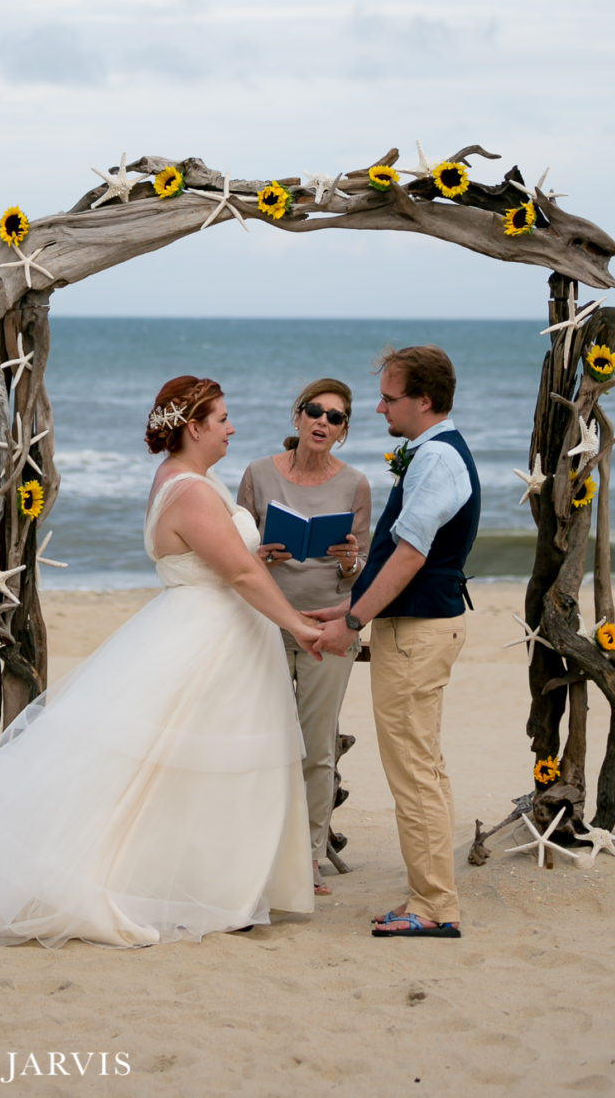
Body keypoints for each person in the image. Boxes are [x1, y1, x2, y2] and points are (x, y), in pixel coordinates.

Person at [0, 376, 321, 949]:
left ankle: (227, 887)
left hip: (220, 636)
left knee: (198, 767)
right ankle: (203, 890)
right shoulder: (192, 491)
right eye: (222, 418)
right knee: (190, 765)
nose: (232, 427)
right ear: (194, 428)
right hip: (207, 639)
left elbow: (232, 559)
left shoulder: (191, 479)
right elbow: (241, 574)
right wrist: (299, 624)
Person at [310, 346, 480, 939]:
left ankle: (433, 907)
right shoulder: (435, 454)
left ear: (424, 401)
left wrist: (353, 625)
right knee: (422, 767)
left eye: (389, 397)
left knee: (413, 771)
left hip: (418, 633)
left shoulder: (436, 459)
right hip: (415, 627)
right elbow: (402, 553)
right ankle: (429, 896)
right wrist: (352, 608)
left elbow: (410, 554)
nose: (379, 407)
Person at [237, 378, 372, 895]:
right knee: (264, 745)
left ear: (343, 431)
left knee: (317, 748)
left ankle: (310, 856)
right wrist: (259, 555)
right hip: (264, 624)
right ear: (296, 417)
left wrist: (350, 560)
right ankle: (259, 849)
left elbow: (361, 575)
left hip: (327, 630)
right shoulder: (258, 473)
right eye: (315, 411)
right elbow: (234, 552)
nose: (323, 421)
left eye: (335, 417)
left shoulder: (355, 484)